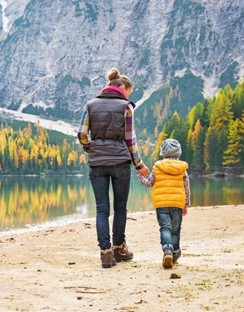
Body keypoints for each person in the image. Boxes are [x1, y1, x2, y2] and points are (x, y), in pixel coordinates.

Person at [77, 67, 149, 268]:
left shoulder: (90, 105)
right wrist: (139, 164)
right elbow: (129, 138)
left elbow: (81, 134)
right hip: (120, 163)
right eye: (129, 92)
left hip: (97, 163)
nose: (129, 95)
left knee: (101, 209)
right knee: (119, 208)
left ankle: (105, 253)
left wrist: (91, 148)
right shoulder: (126, 106)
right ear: (123, 87)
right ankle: (119, 248)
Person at [138, 138, 190, 269]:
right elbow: (186, 187)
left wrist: (140, 176)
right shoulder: (182, 169)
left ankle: (167, 250)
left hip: (161, 204)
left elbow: (149, 183)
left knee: (165, 227)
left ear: (163, 153)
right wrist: (186, 204)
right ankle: (175, 253)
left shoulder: (157, 167)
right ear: (178, 153)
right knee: (175, 229)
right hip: (177, 203)